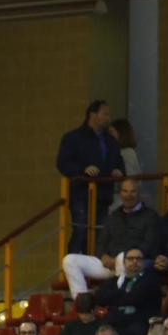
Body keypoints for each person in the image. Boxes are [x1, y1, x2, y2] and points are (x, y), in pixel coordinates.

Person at [57, 100, 120, 255]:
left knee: (101, 237)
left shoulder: (110, 141)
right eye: (105, 114)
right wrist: (82, 170)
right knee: (81, 233)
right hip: (82, 195)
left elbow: (118, 161)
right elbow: (62, 163)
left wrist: (119, 171)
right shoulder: (72, 138)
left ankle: (94, 272)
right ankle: (71, 269)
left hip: (103, 195)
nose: (108, 118)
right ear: (93, 115)